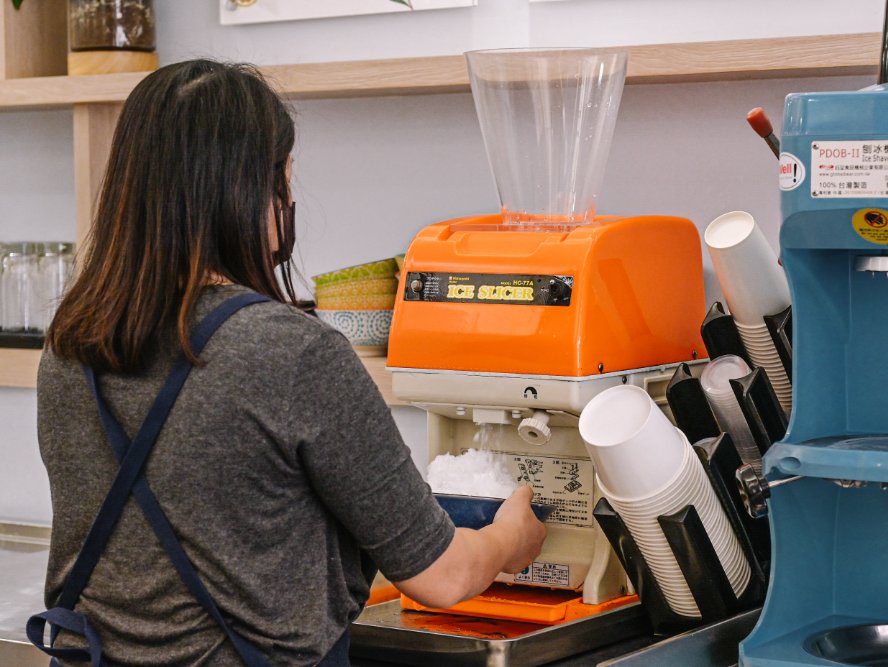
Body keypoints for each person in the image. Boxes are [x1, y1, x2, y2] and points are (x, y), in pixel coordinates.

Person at [33, 59, 547, 666]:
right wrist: (513, 535)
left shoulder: (70, 346)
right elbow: (442, 577)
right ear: (248, 190)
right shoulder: (293, 353)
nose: (290, 198)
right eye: (285, 176)